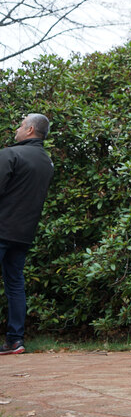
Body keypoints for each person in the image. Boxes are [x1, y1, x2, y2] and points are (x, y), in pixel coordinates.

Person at [0, 114, 54, 355]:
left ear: (30, 129)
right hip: (23, 234)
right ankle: (15, 340)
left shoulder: (10, 154)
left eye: (21, 126)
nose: (17, 130)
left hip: (1, 228)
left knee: (14, 284)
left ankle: (14, 340)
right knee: (15, 285)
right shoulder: (47, 161)